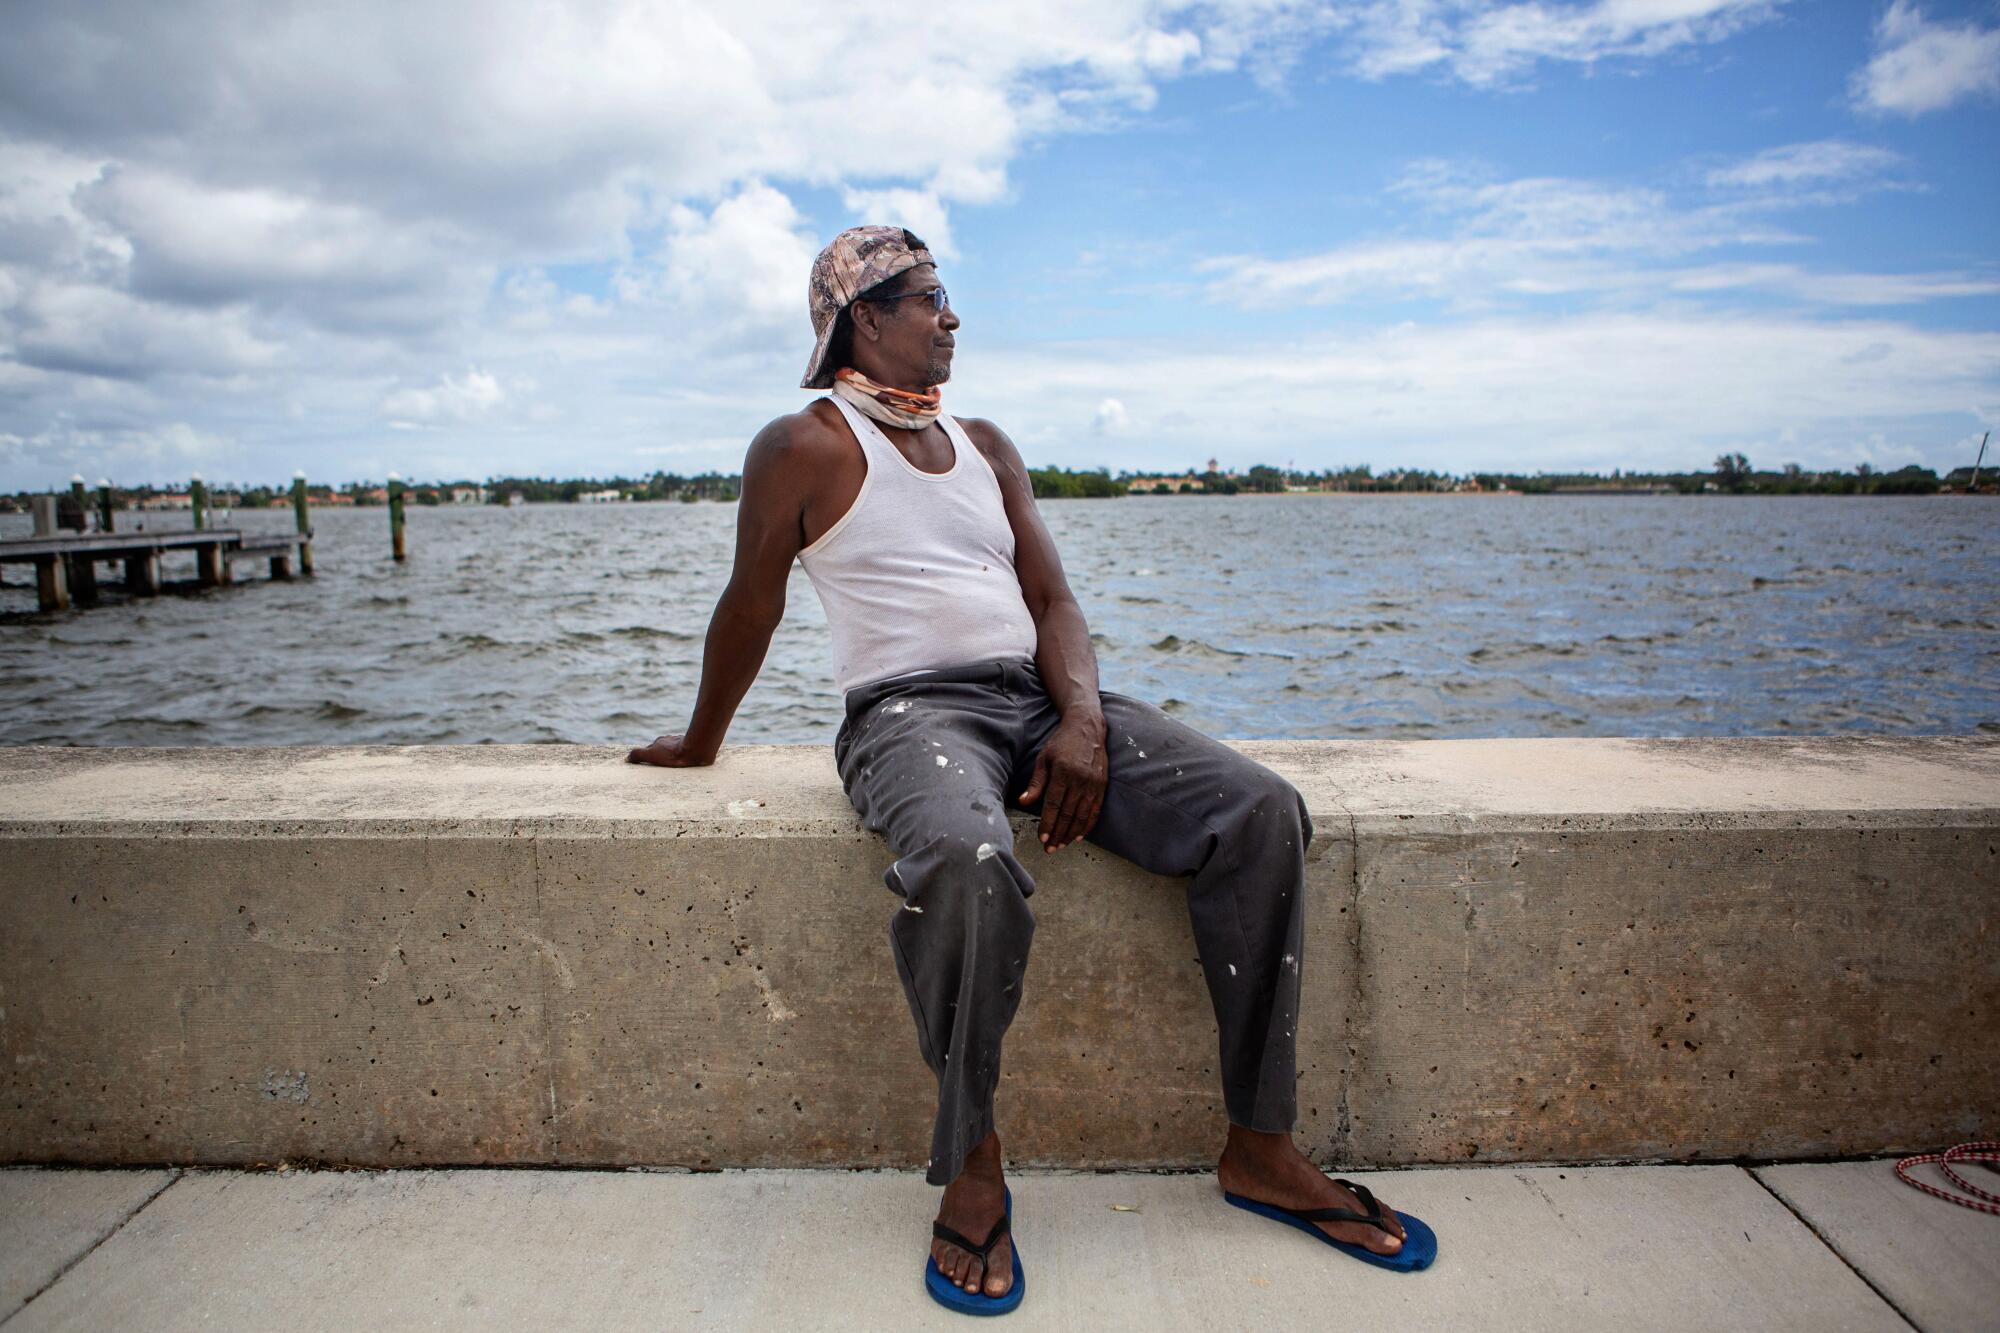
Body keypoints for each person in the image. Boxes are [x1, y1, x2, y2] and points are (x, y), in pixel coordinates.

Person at [628, 226, 1433, 1313]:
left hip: (1037, 700)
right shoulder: (802, 444)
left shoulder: (986, 443)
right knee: (965, 855)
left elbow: (1053, 602)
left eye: (945, 297)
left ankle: (1259, 1144)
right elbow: (750, 604)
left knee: (1259, 811)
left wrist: (1082, 722)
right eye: (927, 298)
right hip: (907, 715)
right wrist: (701, 740)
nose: (950, 316)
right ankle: (972, 1160)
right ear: (864, 315)